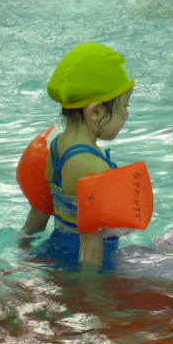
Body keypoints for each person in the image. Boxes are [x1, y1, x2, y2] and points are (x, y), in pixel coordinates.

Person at [21, 42, 135, 268]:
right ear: (95, 111)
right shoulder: (91, 165)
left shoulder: (57, 145)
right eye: (124, 105)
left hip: (57, 250)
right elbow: (92, 244)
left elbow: (41, 208)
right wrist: (91, 288)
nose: (127, 114)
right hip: (84, 266)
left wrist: (23, 249)